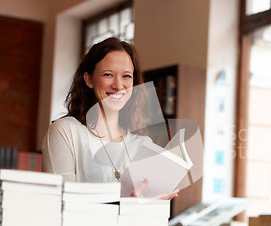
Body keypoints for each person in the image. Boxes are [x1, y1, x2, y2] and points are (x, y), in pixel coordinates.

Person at [42, 37, 178, 199]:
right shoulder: (66, 131)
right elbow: (60, 204)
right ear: (89, 79)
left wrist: (152, 206)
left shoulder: (143, 145)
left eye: (127, 76)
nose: (118, 85)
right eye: (108, 74)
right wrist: (125, 206)